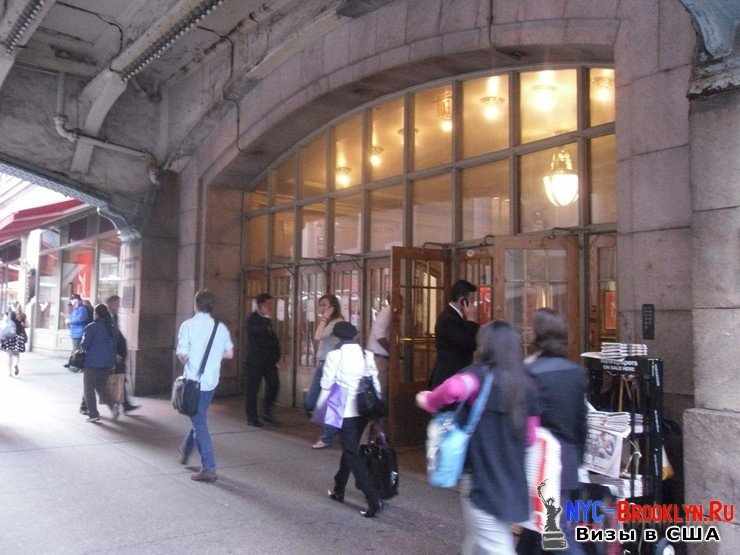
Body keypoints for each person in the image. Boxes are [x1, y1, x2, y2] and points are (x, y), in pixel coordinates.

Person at [417, 322, 540, 554]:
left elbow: (452, 389)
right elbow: (531, 437)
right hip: (512, 479)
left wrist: (428, 400)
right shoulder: (528, 383)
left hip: (480, 478)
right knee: (479, 539)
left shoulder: (478, 376)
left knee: (495, 545)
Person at [517, 308, 587, 555]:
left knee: (556, 535)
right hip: (566, 459)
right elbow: (581, 423)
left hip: (539, 462)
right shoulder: (576, 372)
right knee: (541, 531)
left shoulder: (530, 373)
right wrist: (579, 459)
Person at [322, 321, 383, 518]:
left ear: (337, 337)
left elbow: (326, 383)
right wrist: (377, 410)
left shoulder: (335, 355)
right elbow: (375, 382)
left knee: (351, 452)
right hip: (364, 410)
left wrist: (321, 409)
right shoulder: (367, 354)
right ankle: (339, 487)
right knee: (350, 449)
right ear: (355, 335)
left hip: (345, 410)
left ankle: (373, 499)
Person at [176, 289, 234, 483]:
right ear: (212, 306)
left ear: (196, 304)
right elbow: (229, 354)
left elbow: (182, 355)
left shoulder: (188, 326)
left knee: (199, 423)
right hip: (211, 382)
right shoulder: (221, 327)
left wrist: (192, 359)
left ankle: (209, 468)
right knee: (198, 415)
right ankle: (185, 449)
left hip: (194, 382)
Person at [306, 294, 344, 449]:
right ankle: (332, 430)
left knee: (329, 402)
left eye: (324, 305)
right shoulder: (329, 322)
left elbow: (318, 336)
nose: (321, 308)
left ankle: (328, 436)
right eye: (320, 305)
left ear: (332, 307)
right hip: (323, 365)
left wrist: (323, 318)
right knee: (311, 401)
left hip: (331, 366)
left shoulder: (337, 322)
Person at [429, 279, 480, 388]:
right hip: (448, 377)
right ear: (462, 301)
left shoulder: (457, 317)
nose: (474, 305)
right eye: (471, 301)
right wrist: (471, 321)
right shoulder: (448, 319)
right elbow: (470, 344)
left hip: (456, 376)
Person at [244, 293, 280, 427]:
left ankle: (267, 411)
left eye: (272, 305)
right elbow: (260, 335)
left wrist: (277, 357)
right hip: (255, 361)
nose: (271, 307)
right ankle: (252, 417)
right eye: (268, 305)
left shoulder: (267, 320)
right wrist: (266, 320)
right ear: (261, 305)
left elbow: (273, 341)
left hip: (270, 362)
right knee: (252, 390)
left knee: (274, 385)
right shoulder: (252, 319)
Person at [80, 304, 118, 423]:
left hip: (92, 363)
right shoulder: (112, 328)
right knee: (101, 388)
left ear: (96, 314)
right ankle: (113, 406)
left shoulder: (91, 327)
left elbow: (84, 345)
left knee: (88, 389)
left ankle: (93, 414)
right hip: (107, 363)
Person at [106, 295, 140, 414]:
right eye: (116, 303)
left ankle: (124, 404)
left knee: (119, 378)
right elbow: (108, 338)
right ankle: (87, 404)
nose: (118, 306)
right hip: (112, 356)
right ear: (110, 304)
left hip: (118, 354)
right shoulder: (107, 318)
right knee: (110, 380)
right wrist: (114, 354)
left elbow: (117, 335)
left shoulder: (115, 316)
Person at [366, 294, 392, 395]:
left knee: (383, 385)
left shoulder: (390, 311)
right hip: (380, 355)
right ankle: (382, 409)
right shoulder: (388, 311)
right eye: (401, 300)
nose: (403, 304)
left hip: (381, 354)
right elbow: (379, 334)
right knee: (382, 386)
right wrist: (391, 351)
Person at [65, 294, 90, 372]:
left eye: (75, 300)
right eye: (72, 300)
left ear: (79, 300)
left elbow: (80, 319)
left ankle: (76, 365)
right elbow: (71, 317)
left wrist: (70, 321)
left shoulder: (82, 309)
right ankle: (73, 363)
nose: (73, 302)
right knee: (75, 348)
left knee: (77, 349)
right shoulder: (75, 309)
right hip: (74, 332)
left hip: (79, 332)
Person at [1, 310, 27, 376]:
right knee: (17, 355)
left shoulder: (8, 322)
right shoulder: (20, 322)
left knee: (9, 357)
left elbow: (3, 330)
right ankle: (16, 364)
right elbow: (25, 328)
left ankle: (9, 372)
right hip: (17, 340)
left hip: (9, 340)